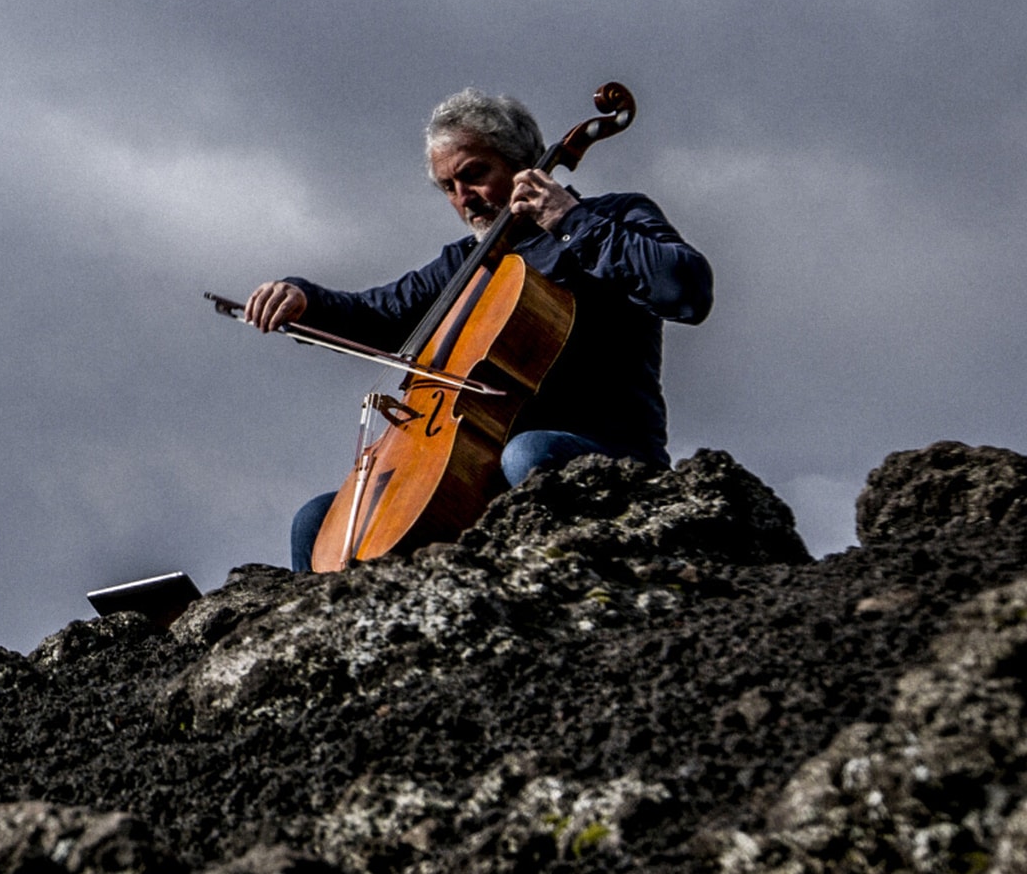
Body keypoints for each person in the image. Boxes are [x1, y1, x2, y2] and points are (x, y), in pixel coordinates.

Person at [244, 88, 712, 571]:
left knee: (528, 451)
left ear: (523, 164)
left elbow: (686, 290)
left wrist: (570, 220)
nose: (464, 199)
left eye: (474, 175)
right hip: (481, 466)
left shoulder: (612, 216)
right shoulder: (465, 265)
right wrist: (303, 299)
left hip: (602, 454)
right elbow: (378, 315)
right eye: (449, 187)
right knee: (316, 520)